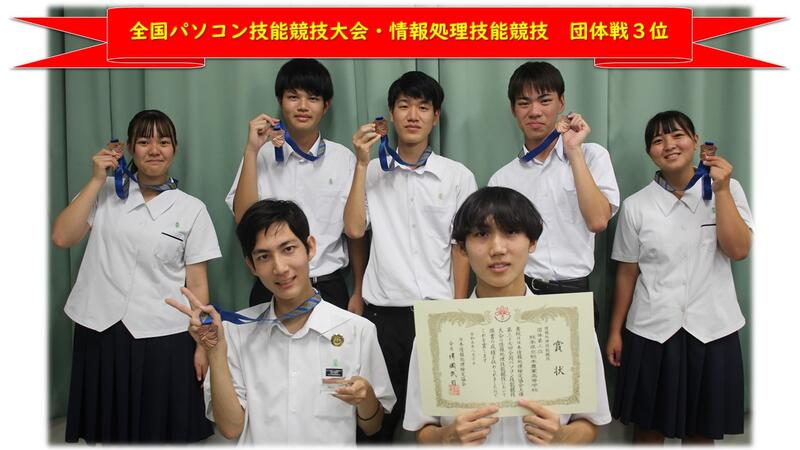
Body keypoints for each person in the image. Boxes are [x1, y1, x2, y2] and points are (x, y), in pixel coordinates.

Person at [52, 109, 221, 443]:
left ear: (175, 149)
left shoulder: (192, 209)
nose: (154, 149)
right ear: (129, 147)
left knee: (159, 432)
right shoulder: (104, 192)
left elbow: (198, 284)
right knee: (108, 429)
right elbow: (62, 237)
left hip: (163, 334)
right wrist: (96, 179)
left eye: (163, 142)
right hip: (101, 329)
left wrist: (202, 345)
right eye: (144, 141)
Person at [167, 199, 396, 445]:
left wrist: (366, 397)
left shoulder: (357, 331)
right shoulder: (235, 332)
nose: (280, 268)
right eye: (264, 256)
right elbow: (230, 428)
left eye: (288, 249)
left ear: (310, 247)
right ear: (251, 266)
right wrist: (215, 352)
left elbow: (372, 426)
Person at [404, 186, 611, 444]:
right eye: (482, 234)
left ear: (532, 242)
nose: (498, 248)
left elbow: (590, 423)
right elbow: (422, 429)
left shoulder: (571, 327)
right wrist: (447, 438)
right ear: (463, 248)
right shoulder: (436, 333)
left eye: (511, 232)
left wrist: (562, 437)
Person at [345, 71, 478, 441]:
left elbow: (462, 248)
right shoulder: (370, 171)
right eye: (404, 106)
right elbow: (354, 230)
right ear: (391, 114)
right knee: (376, 422)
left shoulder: (457, 176)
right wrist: (360, 164)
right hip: (383, 315)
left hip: (438, 315)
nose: (413, 115)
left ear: (436, 116)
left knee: (444, 423)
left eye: (423, 107)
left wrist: (458, 309)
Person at [606, 110, 752, 443]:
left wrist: (722, 191)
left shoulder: (728, 189)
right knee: (647, 429)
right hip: (651, 330)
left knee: (701, 432)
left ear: (695, 141)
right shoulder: (636, 206)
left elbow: (739, 250)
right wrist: (615, 331)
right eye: (658, 140)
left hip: (712, 329)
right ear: (650, 152)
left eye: (677, 135)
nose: (669, 145)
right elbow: (627, 272)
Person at [226, 58, 366, 312]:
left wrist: (358, 289)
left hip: (327, 285)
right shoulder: (261, 155)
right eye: (293, 97)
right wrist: (251, 150)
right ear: (280, 101)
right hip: (272, 285)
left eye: (313, 98)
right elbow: (244, 219)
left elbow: (354, 233)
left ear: (326, 105)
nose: (302, 106)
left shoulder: (343, 158)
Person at [488, 61, 619, 327]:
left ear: (561, 102)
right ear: (513, 110)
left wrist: (573, 150)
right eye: (524, 103)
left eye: (545, 100)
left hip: (575, 294)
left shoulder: (592, 156)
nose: (535, 111)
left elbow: (598, 221)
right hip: (521, 295)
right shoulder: (502, 179)